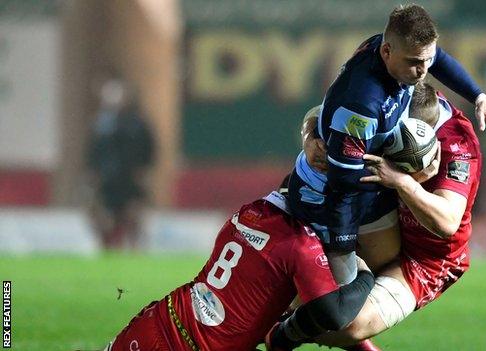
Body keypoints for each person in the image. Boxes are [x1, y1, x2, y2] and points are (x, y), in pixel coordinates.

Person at [287, 3, 486, 289]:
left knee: (381, 265)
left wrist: (479, 97)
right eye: (416, 61)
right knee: (339, 300)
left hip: (362, 185)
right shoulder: (364, 103)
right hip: (325, 197)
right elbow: (344, 188)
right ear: (387, 52)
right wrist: (343, 250)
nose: (423, 70)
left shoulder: (394, 56)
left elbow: (437, 59)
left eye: (427, 60)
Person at [269, 83, 483, 350]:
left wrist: (403, 183)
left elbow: (447, 223)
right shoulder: (392, 101)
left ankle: (280, 332)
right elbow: (320, 113)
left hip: (426, 257)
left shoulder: (458, 145)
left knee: (347, 324)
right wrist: (311, 137)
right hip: (378, 221)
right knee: (290, 263)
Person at [104, 191, 375, 351]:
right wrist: (366, 276)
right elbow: (333, 314)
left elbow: (252, 301)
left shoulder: (252, 211)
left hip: (161, 321)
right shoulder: (301, 246)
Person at [86, 77, 155, 250]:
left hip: (129, 177)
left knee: (132, 215)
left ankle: (135, 247)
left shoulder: (137, 124)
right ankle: (107, 247)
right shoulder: (100, 124)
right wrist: (93, 172)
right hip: (107, 178)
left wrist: (143, 171)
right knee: (102, 215)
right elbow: (93, 151)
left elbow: (148, 149)